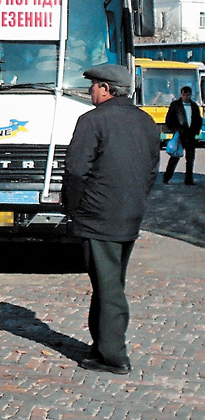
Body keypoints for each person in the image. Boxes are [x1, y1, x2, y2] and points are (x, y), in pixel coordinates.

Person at [63, 64, 160, 375]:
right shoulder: (145, 121)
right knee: (108, 282)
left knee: (109, 288)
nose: (90, 90)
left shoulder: (92, 121)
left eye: (93, 85)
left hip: (97, 215)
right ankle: (102, 343)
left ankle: (113, 355)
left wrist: (73, 209)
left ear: (106, 89)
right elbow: (151, 170)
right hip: (129, 214)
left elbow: (76, 171)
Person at [162, 85, 202, 185]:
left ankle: (189, 180)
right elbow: (168, 120)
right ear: (181, 94)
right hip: (179, 135)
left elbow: (198, 119)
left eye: (189, 95)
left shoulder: (194, 106)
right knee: (174, 157)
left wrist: (196, 131)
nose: (187, 97)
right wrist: (176, 130)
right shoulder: (175, 105)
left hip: (190, 136)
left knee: (190, 159)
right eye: (185, 95)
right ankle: (166, 177)